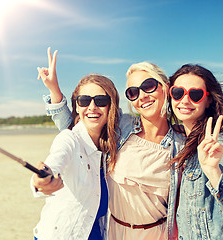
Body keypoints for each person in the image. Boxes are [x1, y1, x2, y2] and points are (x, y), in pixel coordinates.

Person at [35, 47, 184, 239]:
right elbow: (75, 130)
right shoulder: (123, 129)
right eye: (133, 92)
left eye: (148, 86)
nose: (142, 96)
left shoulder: (182, 143)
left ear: (165, 87)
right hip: (112, 232)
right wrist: (54, 90)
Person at [166, 64, 223, 239]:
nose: (184, 100)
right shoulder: (180, 142)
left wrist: (214, 173)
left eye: (195, 94)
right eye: (178, 92)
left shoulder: (219, 147)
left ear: (208, 100)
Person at [31, 73, 120, 240]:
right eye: (85, 101)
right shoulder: (69, 139)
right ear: (77, 106)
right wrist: (42, 180)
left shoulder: (112, 146)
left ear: (111, 106)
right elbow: (55, 160)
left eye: (101, 101)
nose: (92, 107)